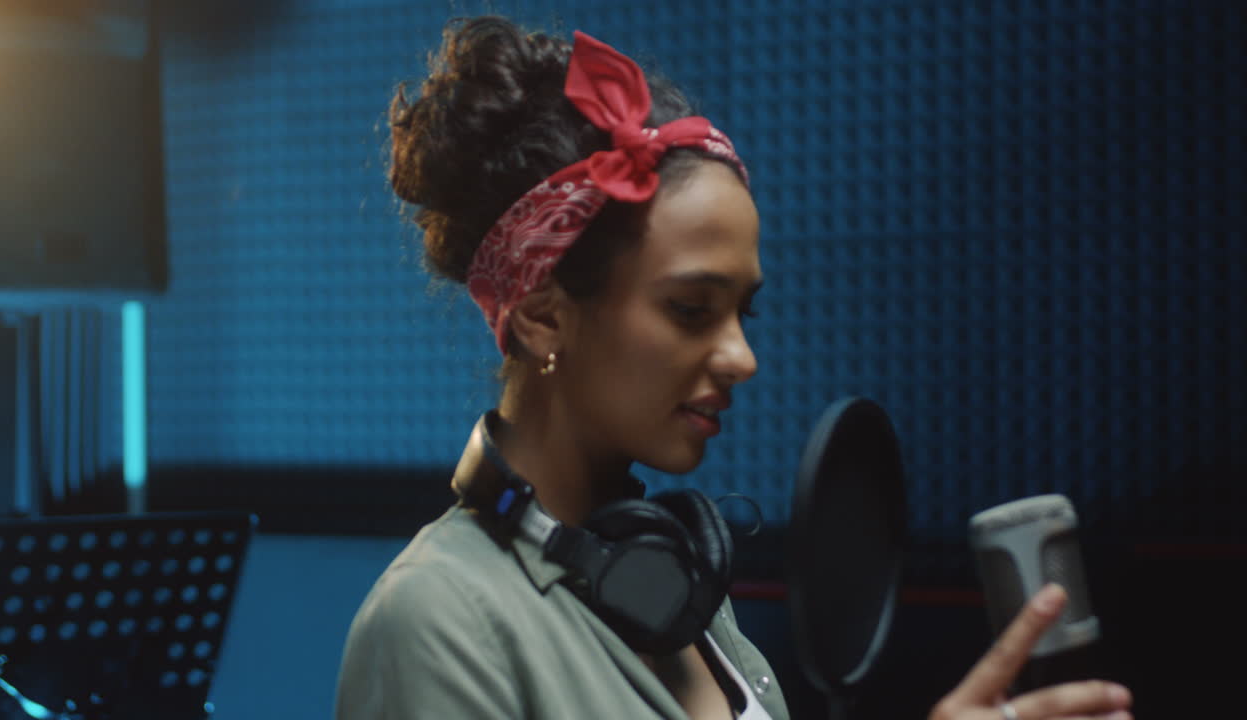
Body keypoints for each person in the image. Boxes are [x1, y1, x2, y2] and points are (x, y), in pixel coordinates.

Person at [334, 16, 1134, 720]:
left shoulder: (674, 590)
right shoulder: (436, 622)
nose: (742, 357)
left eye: (742, 312)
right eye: (690, 309)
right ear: (544, 313)